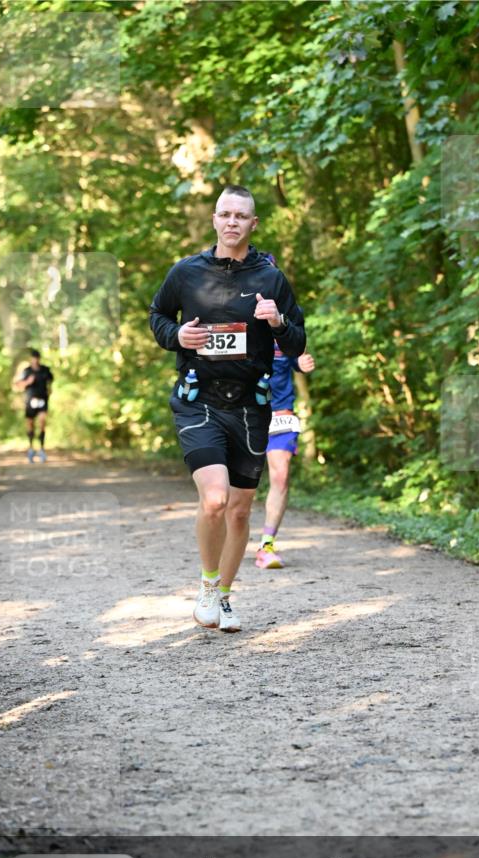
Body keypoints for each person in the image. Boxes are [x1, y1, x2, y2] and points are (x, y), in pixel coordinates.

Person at [149, 184, 306, 633]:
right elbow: (158, 315)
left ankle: (225, 597)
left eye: (241, 216)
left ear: (253, 224)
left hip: (252, 408)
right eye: (225, 214)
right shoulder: (186, 273)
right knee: (215, 498)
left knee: (240, 510)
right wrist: (176, 337)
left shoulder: (270, 278)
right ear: (215, 220)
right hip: (199, 401)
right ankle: (206, 585)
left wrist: (277, 322)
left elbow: (298, 340)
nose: (232, 222)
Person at [255, 341, 315, 569]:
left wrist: (299, 362)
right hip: (244, 412)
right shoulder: (235, 316)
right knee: (236, 484)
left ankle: (266, 545)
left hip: (280, 412)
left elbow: (295, 356)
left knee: (281, 476)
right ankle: (228, 540)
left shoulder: (286, 320)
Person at [16, 349, 53, 462]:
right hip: (30, 401)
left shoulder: (45, 370)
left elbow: (50, 381)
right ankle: (31, 448)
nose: (35, 360)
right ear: (31, 359)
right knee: (30, 424)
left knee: (42, 422)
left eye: (37, 358)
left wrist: (49, 390)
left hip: (42, 400)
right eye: (33, 358)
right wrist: (28, 382)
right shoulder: (26, 371)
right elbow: (18, 384)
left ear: (39, 359)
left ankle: (41, 449)